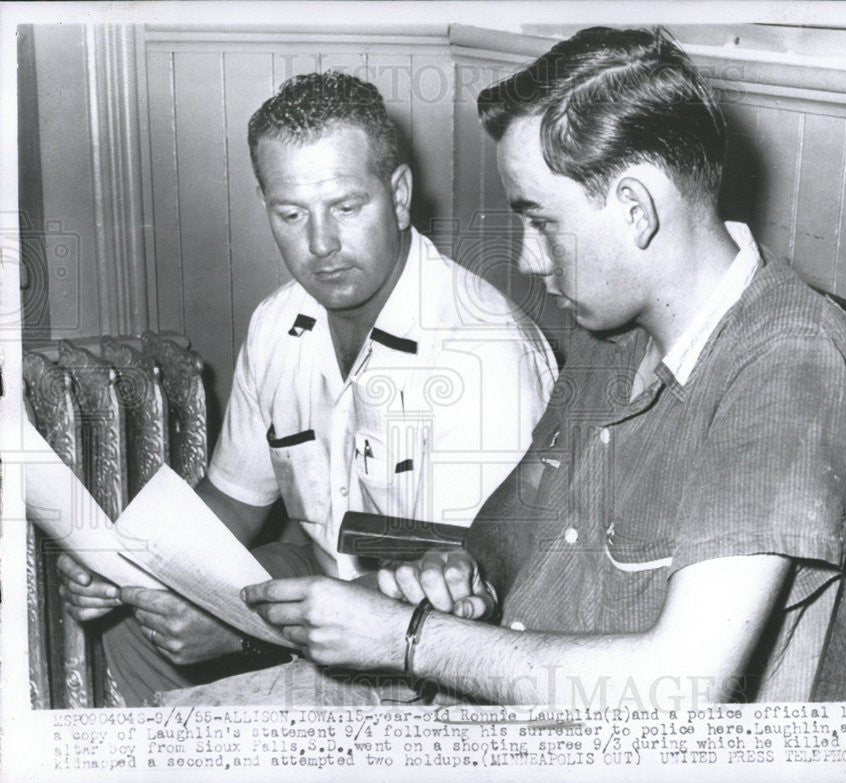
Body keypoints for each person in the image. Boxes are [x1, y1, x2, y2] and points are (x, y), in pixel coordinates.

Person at [243, 27, 846, 706]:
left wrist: (410, 639)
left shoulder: (786, 358)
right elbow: (517, 509)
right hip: (487, 686)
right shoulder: (619, 334)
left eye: (541, 222)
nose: (528, 259)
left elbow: (685, 685)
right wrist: (466, 570)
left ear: (635, 210)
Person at [56, 71, 556, 706]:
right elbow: (234, 502)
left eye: (347, 208)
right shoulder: (276, 324)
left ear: (399, 196)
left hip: (442, 639)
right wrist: (121, 562)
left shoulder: (482, 351)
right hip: (327, 587)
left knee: (210, 707)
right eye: (291, 214)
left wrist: (247, 632)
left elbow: (465, 588)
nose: (321, 245)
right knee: (139, 614)